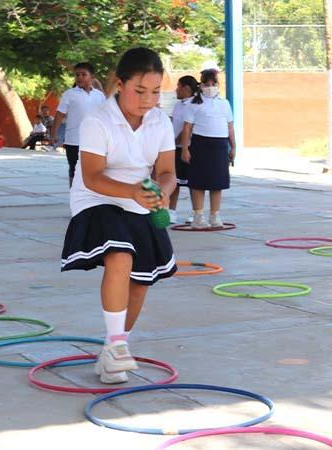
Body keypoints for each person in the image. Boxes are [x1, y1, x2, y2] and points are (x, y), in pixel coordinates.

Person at [60, 47, 177, 384]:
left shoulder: (160, 121)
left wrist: (163, 192)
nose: (148, 100)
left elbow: (167, 170)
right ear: (119, 83)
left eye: (155, 92)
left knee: (140, 283)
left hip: (139, 200)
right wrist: (132, 192)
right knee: (121, 253)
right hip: (97, 199)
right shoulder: (98, 120)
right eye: (140, 91)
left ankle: (114, 349)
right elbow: (92, 175)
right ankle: (116, 344)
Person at [180, 69, 236, 229]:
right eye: (207, 84)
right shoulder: (194, 104)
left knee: (217, 182)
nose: (210, 87)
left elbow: (230, 127)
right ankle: (198, 216)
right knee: (198, 182)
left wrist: (233, 147)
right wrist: (185, 149)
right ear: (201, 85)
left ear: (218, 85)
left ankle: (215, 215)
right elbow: (187, 128)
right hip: (200, 144)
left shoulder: (224, 103)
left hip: (220, 146)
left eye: (214, 84)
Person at [51, 63, 106, 187]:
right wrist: (53, 134)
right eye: (77, 75)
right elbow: (59, 115)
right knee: (75, 170)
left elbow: (105, 117)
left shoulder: (99, 95)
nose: (80, 77)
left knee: (95, 171)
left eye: (83, 74)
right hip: (74, 141)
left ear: (92, 77)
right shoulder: (69, 94)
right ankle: (75, 197)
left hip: (95, 141)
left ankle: (92, 198)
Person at [169, 75, 198, 224]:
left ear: (186, 88)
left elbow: (188, 128)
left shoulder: (194, 104)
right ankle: (171, 211)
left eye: (178, 86)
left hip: (188, 148)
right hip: (174, 147)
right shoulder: (178, 105)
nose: (176, 89)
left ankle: (196, 212)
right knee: (175, 182)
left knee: (193, 182)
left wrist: (178, 142)